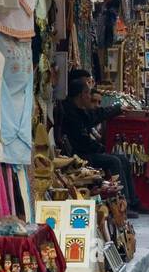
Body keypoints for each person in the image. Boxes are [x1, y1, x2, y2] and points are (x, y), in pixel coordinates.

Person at [60, 76, 140, 215]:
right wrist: (99, 148)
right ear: (81, 95)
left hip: (88, 151)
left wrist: (118, 108)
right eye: (88, 93)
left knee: (123, 159)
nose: (89, 97)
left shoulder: (81, 111)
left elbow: (98, 114)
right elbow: (82, 142)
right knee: (114, 161)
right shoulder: (71, 115)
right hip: (80, 155)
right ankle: (122, 204)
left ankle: (133, 201)